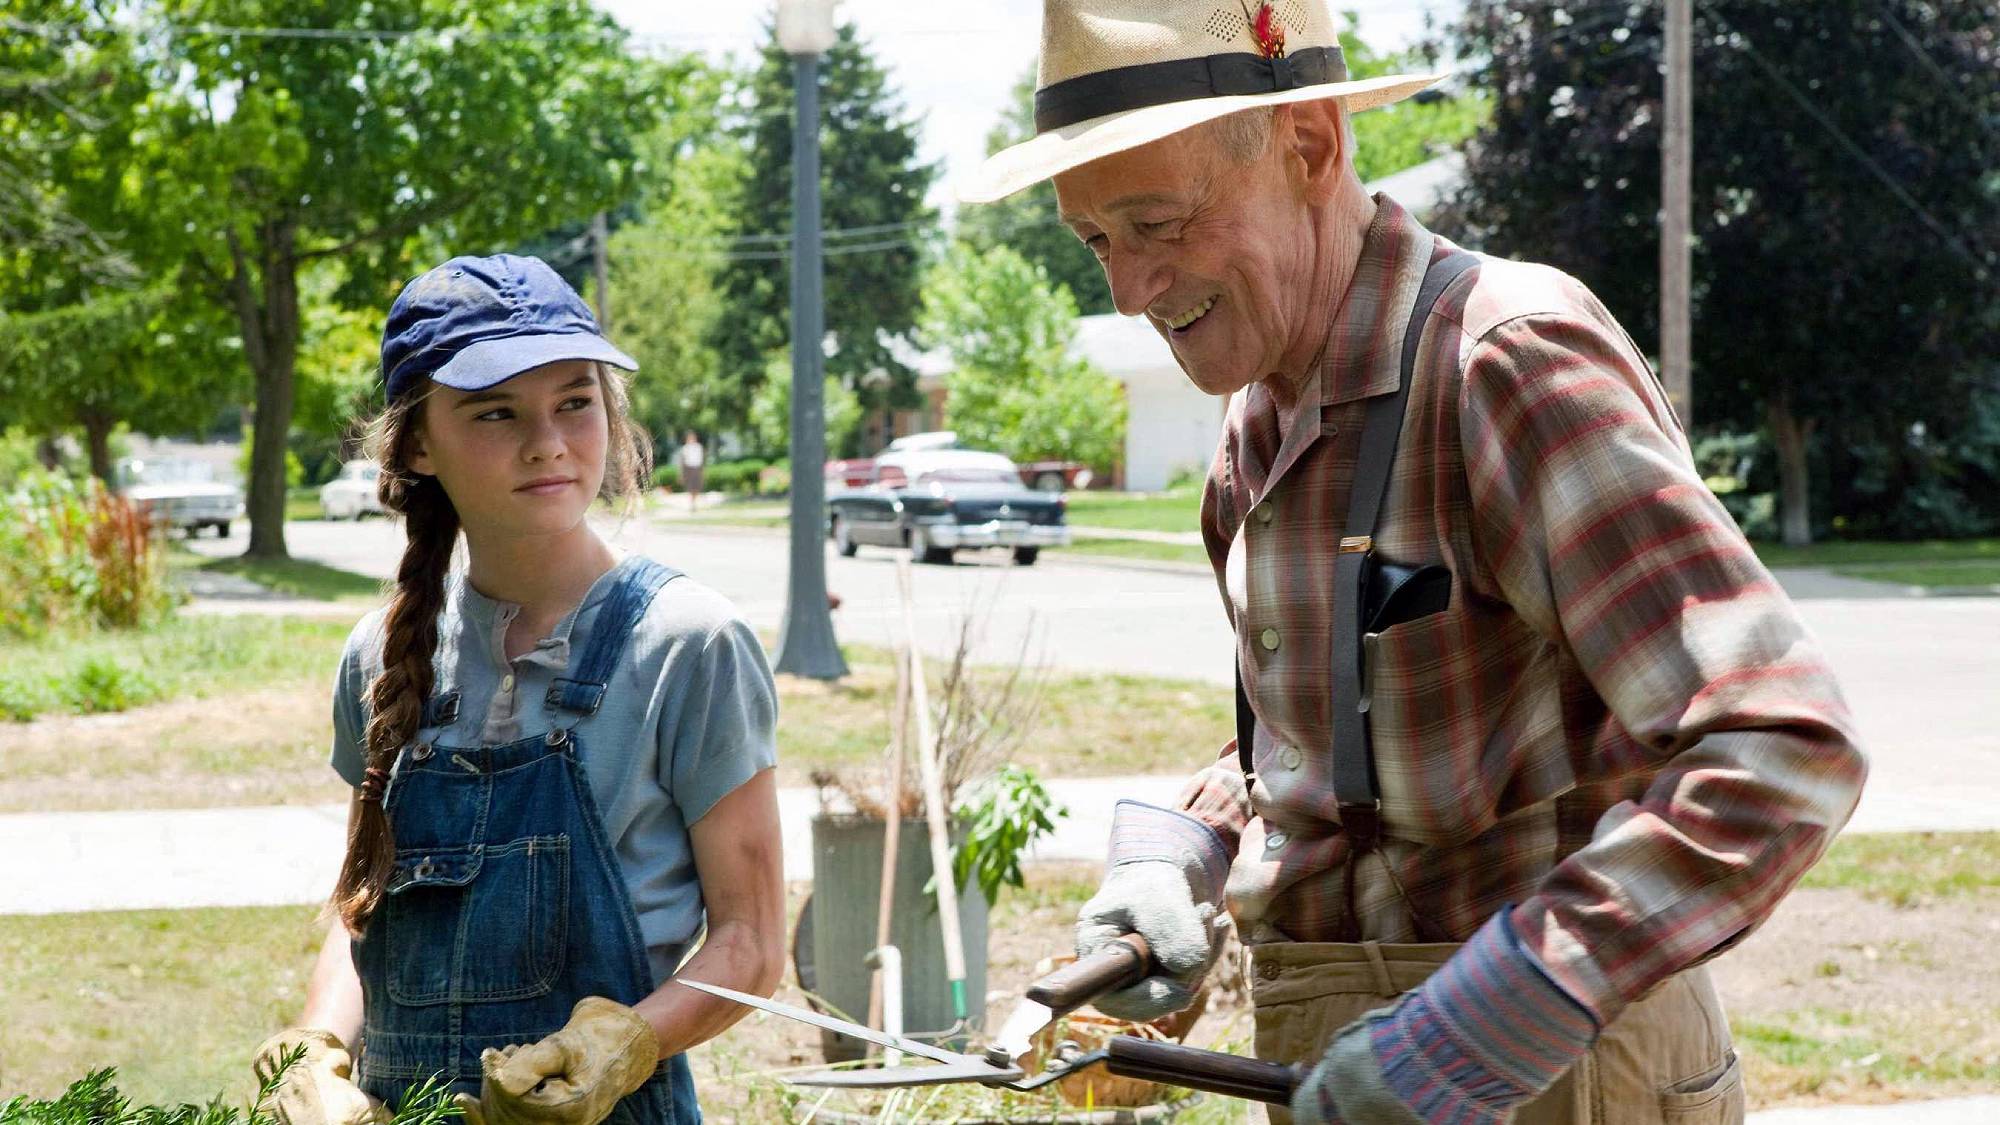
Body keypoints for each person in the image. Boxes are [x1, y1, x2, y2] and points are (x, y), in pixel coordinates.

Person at [960, 3, 1867, 1123]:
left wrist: (1487, 1021)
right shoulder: (1256, 424)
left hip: (1564, 1082)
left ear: (1308, 145)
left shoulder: (1501, 361)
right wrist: (1183, 854)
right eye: (1096, 240)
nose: (1128, 291)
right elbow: (1338, 736)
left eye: (1158, 224)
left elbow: (1779, 751)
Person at [250, 254, 784, 1125]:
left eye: (575, 400)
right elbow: (366, 915)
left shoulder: (689, 644)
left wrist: (626, 1044)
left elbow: (752, 945)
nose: (548, 441)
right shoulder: (379, 656)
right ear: (418, 442)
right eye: (495, 411)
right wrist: (315, 1044)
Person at [676, 433, 704, 513]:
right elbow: (682, 462)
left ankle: (694, 503)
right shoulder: (685, 448)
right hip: (689, 469)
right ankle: (692, 504)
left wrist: (702, 471)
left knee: (697, 486)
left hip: (697, 468)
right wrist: (681, 474)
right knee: (691, 487)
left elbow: (701, 460)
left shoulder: (699, 447)